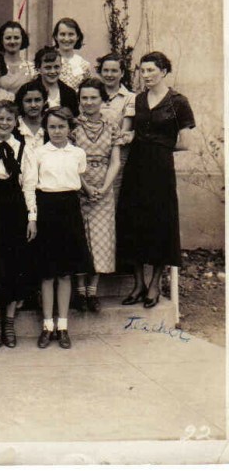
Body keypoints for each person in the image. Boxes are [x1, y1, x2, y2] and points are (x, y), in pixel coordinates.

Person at [116, 52, 195, 309]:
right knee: (133, 221)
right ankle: (138, 284)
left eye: (151, 70)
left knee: (161, 223)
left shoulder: (178, 102)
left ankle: (154, 285)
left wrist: (157, 146)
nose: (146, 75)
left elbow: (185, 143)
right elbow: (128, 132)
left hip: (160, 169)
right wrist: (129, 138)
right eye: (143, 70)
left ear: (163, 71)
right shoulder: (137, 100)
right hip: (136, 168)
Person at [25, 106, 93, 349]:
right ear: (46, 128)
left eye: (61, 126)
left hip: (69, 210)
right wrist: (32, 217)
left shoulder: (77, 153)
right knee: (47, 273)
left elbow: (80, 180)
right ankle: (47, 326)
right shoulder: (38, 153)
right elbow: (30, 186)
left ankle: (62, 326)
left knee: (65, 273)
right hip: (46, 209)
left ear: (70, 129)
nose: (56, 131)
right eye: (52, 127)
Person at [0, 100, 37, 348]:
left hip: (16, 212)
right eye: (0, 118)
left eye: (9, 119)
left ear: (16, 123)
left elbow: (29, 186)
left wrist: (31, 218)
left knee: (15, 263)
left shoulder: (23, 149)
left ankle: (9, 321)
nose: (4, 123)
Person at [71, 79, 122, 313]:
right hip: (78, 187)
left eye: (93, 97)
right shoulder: (72, 126)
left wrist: (104, 187)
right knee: (81, 239)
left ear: (102, 100)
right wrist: (85, 187)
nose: (88, 102)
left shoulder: (111, 126)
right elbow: (69, 161)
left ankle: (93, 291)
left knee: (100, 240)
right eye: (84, 98)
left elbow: (115, 161)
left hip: (104, 189)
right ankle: (80, 292)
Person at [96, 53, 135, 196]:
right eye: (105, 70)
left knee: (113, 194)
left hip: (117, 153)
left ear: (122, 73)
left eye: (114, 71)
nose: (109, 74)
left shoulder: (130, 98)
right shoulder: (93, 94)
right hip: (93, 153)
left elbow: (125, 131)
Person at [34, 46, 79, 115]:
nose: (53, 71)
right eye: (48, 67)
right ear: (38, 68)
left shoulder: (69, 93)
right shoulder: (28, 90)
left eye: (56, 67)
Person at [52, 17, 92, 91]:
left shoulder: (84, 65)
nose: (66, 39)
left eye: (71, 34)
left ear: (77, 37)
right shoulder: (48, 61)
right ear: (56, 36)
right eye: (62, 34)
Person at [0, 20, 34, 93]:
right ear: (1, 40)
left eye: (16, 38)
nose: (12, 42)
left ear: (22, 40)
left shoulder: (31, 68)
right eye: (8, 38)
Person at [14, 80, 48, 155]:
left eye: (37, 100)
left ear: (44, 101)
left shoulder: (50, 126)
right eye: (28, 101)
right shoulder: (14, 127)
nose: (33, 105)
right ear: (21, 103)